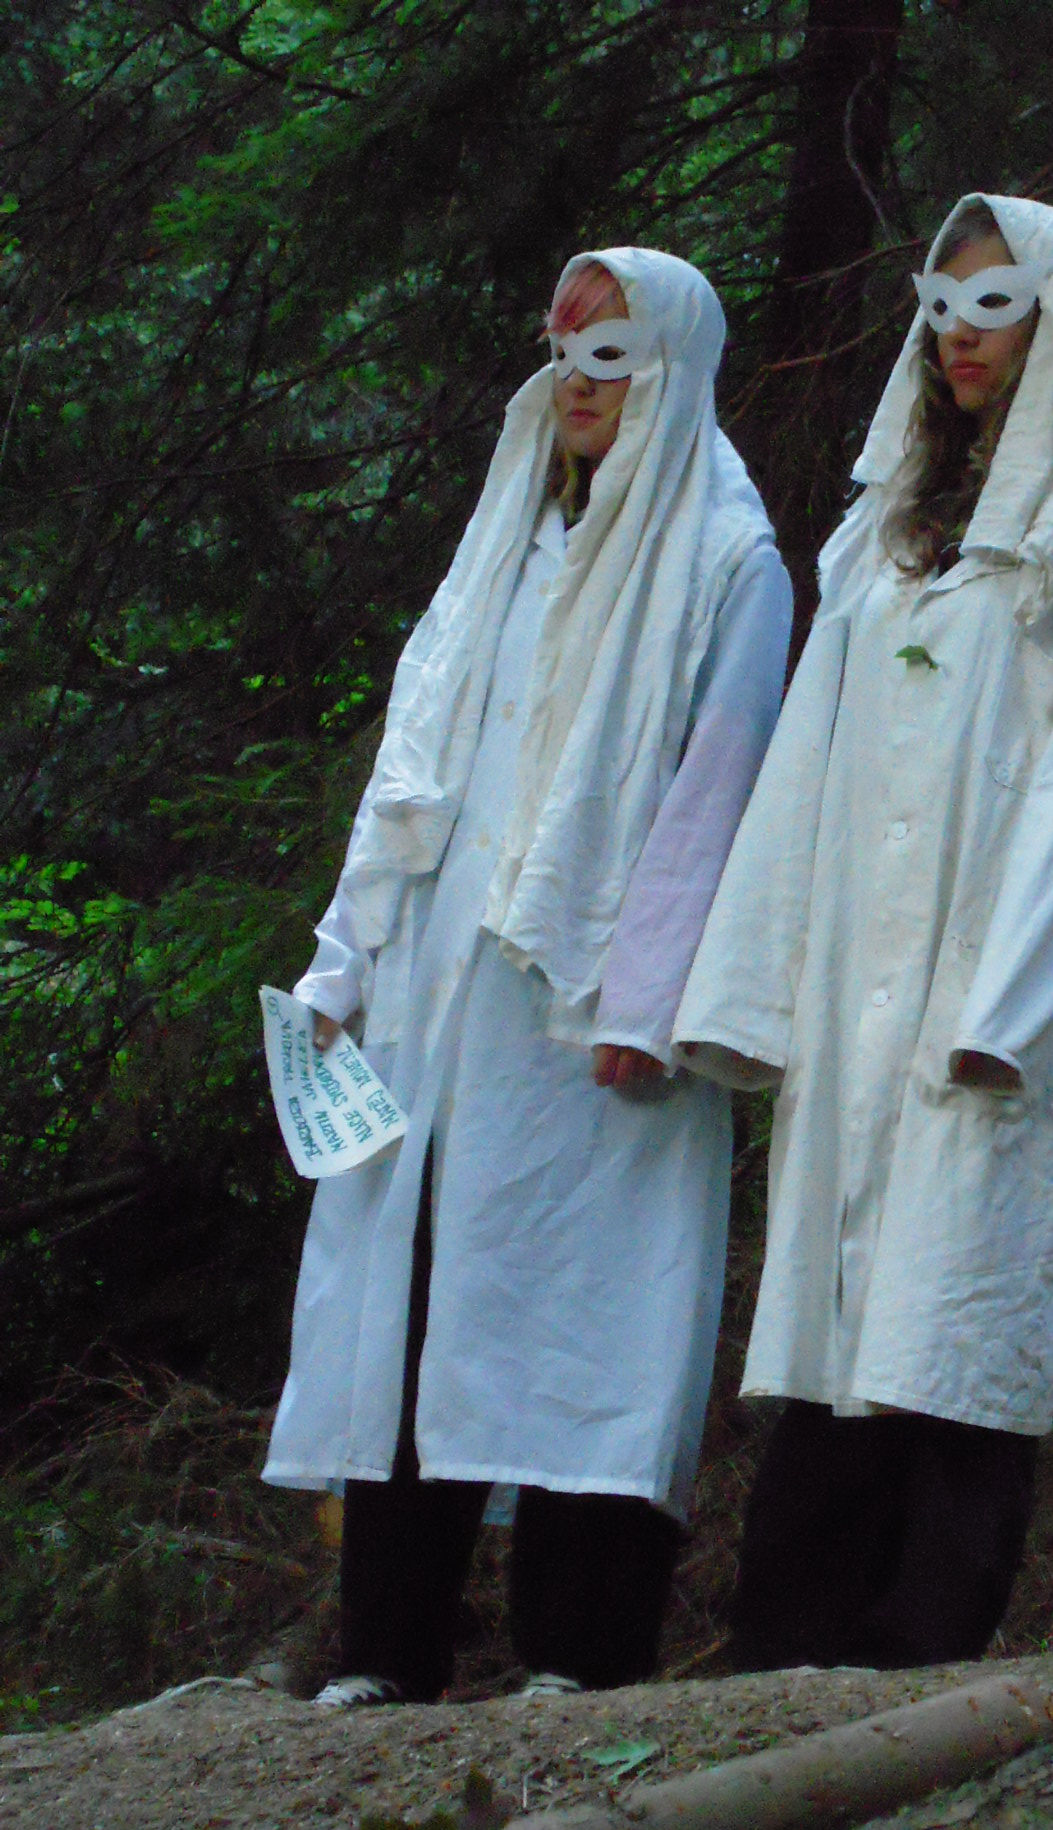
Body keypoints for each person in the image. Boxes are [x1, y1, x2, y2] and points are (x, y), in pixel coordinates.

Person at [262, 248, 792, 1706]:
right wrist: (342, 963)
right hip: (439, 1004)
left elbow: (720, 795)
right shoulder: (504, 544)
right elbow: (412, 767)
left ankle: (582, 1652)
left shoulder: (727, 563)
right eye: (567, 354)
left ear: (672, 368)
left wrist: (650, 1000)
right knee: (418, 1296)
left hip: (591, 1022)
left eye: (614, 357)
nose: (581, 384)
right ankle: (388, 1648)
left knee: (592, 1315)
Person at [673, 194, 1053, 1671]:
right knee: (836, 1310)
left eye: (996, 307)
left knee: (958, 1312)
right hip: (858, 984)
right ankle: (786, 1644)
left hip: (990, 987)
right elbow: (803, 767)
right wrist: (753, 987)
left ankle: (923, 1647)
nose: (963, 338)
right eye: (942, 308)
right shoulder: (878, 542)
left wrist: (1008, 1004)